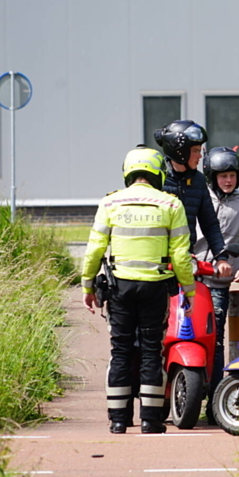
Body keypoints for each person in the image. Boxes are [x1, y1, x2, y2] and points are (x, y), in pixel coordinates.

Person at [81, 147, 197, 435]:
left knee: (120, 351)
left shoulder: (110, 203)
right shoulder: (171, 205)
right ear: (158, 172)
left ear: (128, 172)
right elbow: (181, 257)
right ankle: (150, 420)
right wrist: (189, 291)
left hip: (119, 288)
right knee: (151, 351)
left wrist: (87, 285)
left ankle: (118, 421)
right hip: (155, 288)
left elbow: (94, 249)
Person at [196, 146, 239, 396]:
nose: (228, 180)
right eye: (222, 175)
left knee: (214, 339)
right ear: (211, 176)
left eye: (232, 175)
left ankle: (215, 398)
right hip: (188, 280)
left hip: (218, 284)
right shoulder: (198, 199)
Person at [154, 119, 232, 278]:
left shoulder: (198, 180)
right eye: (196, 151)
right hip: (157, 264)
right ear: (179, 151)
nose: (200, 156)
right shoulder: (156, 179)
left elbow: (210, 224)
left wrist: (221, 258)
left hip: (186, 261)